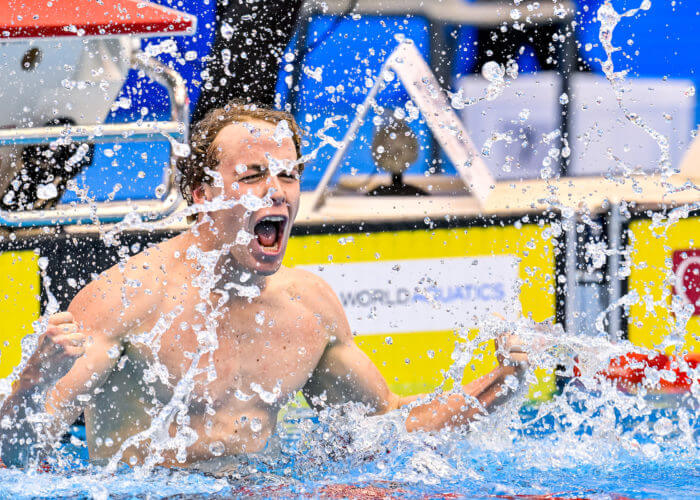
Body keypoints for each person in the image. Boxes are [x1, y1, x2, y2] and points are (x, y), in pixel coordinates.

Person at [0, 101, 528, 469]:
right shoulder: (128, 300)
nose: (275, 193)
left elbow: (388, 426)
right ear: (203, 193)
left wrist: (508, 379)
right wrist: (33, 380)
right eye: (252, 176)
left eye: (289, 175)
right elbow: (17, 456)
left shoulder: (308, 306)